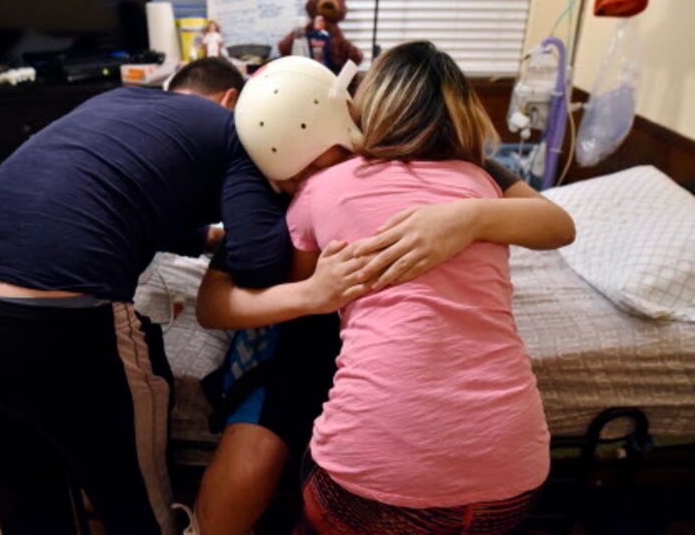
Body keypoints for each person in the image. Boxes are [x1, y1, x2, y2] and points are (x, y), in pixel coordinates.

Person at [0, 57, 361, 535]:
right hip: (57, 322)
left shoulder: (118, 101)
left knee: (27, 500)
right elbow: (259, 262)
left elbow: (127, 202)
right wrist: (282, 203)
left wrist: (206, 239)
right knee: (132, 507)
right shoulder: (236, 135)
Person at [194, 54, 575, 534]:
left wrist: (468, 217)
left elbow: (559, 225)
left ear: (360, 117)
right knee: (275, 403)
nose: (301, 179)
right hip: (512, 481)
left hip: (366, 483)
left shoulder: (464, 177)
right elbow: (229, 293)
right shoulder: (477, 179)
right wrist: (312, 294)